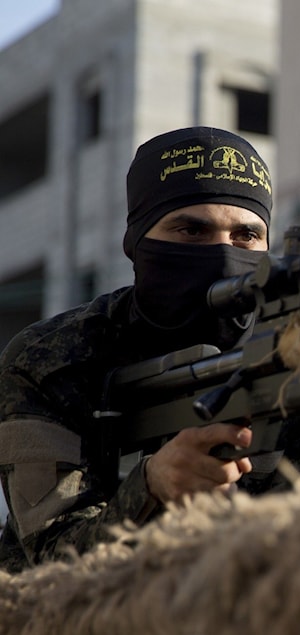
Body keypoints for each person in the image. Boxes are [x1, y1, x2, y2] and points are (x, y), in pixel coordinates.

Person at [0, 126, 276, 572]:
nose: (224, 256)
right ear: (137, 243)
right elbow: (54, 557)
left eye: (246, 236)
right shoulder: (51, 359)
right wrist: (152, 486)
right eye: (192, 229)